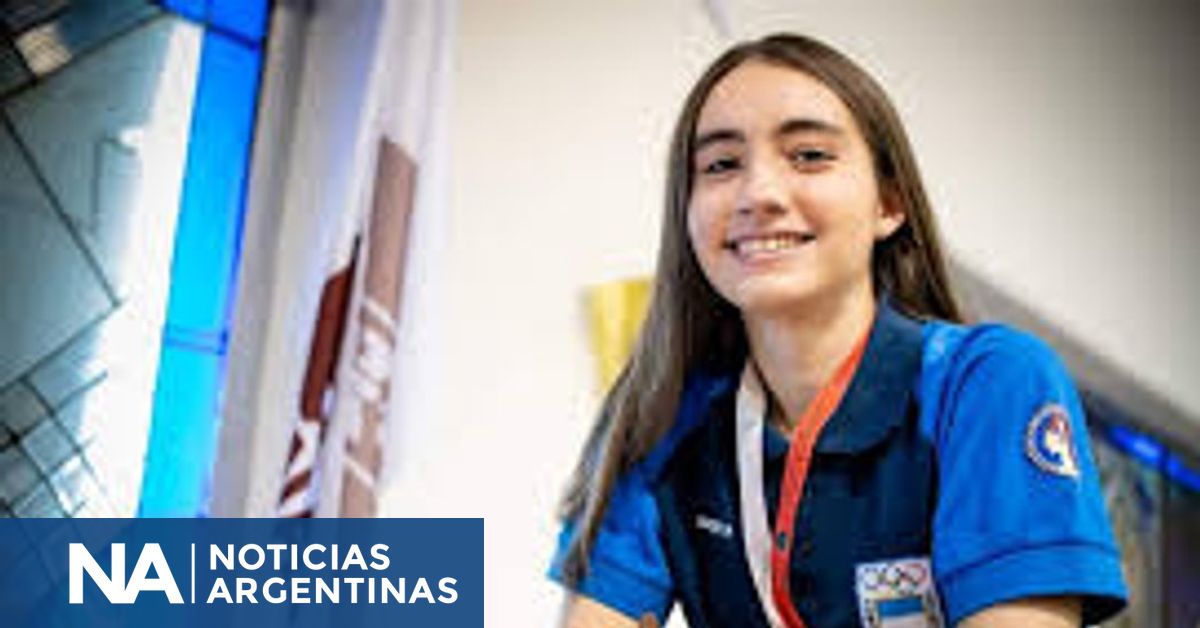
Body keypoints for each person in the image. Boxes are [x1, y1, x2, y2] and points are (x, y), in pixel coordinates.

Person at [548, 33, 1127, 627]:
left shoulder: (987, 383)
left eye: (808, 155)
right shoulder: (661, 409)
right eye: (721, 165)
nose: (759, 193)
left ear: (889, 203)